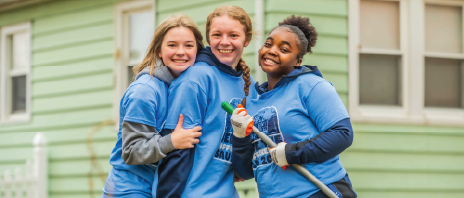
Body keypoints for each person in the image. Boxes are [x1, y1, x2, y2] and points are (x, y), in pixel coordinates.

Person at [230, 15, 357, 198]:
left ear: (298, 61)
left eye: (283, 49)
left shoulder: (310, 85)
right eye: (268, 44)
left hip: (319, 191)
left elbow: (342, 134)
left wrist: (292, 153)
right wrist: (239, 137)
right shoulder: (252, 102)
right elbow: (246, 170)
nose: (272, 51)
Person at [154, 5, 258, 198]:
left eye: (233, 35)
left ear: (247, 40)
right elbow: (176, 152)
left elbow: (244, 162)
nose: (224, 42)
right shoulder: (196, 78)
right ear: (208, 37)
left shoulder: (248, 86)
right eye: (217, 34)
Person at [102, 13, 204, 198]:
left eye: (188, 45)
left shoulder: (184, 87)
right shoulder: (145, 91)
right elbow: (131, 151)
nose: (181, 51)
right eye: (172, 45)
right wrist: (171, 142)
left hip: (158, 186)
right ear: (159, 50)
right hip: (130, 189)